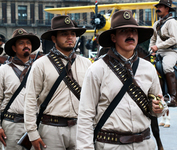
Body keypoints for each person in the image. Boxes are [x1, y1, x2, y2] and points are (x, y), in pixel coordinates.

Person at [76, 10, 168, 150]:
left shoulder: (149, 68)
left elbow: (158, 106)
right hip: (111, 145)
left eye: (134, 31)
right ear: (113, 37)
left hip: (145, 144)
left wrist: (158, 107)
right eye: (124, 31)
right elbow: (85, 116)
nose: (130, 35)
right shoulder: (97, 69)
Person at [24, 15, 92, 150]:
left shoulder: (86, 64)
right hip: (51, 129)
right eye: (64, 34)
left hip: (80, 128)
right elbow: (30, 99)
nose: (70, 37)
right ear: (54, 38)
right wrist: (32, 132)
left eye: (73, 34)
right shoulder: (40, 64)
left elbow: (92, 99)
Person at [0, 28, 40, 149]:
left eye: (28, 43)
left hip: (35, 124)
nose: (26, 46)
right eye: (21, 43)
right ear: (14, 48)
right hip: (11, 124)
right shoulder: (2, 70)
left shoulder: (39, 68)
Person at [149, 0, 177, 128]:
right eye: (157, 7)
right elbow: (153, 39)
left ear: (167, 9)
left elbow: (174, 39)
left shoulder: (172, 22)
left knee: (167, 67)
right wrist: (151, 50)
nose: (158, 9)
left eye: (160, 7)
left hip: (170, 51)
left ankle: (173, 97)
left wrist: (158, 46)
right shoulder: (156, 24)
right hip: (158, 52)